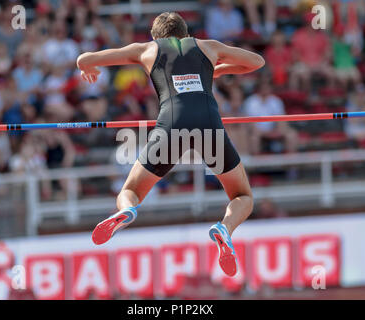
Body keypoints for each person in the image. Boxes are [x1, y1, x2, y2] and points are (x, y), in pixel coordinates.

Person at [77, 12, 264, 277]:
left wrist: (89, 67)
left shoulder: (146, 49)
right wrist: (215, 69)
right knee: (242, 196)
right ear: (186, 33)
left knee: (130, 189)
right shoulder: (208, 46)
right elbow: (256, 61)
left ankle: (128, 210)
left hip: (172, 124)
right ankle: (225, 228)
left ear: (156, 36)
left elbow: (84, 58)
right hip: (208, 123)